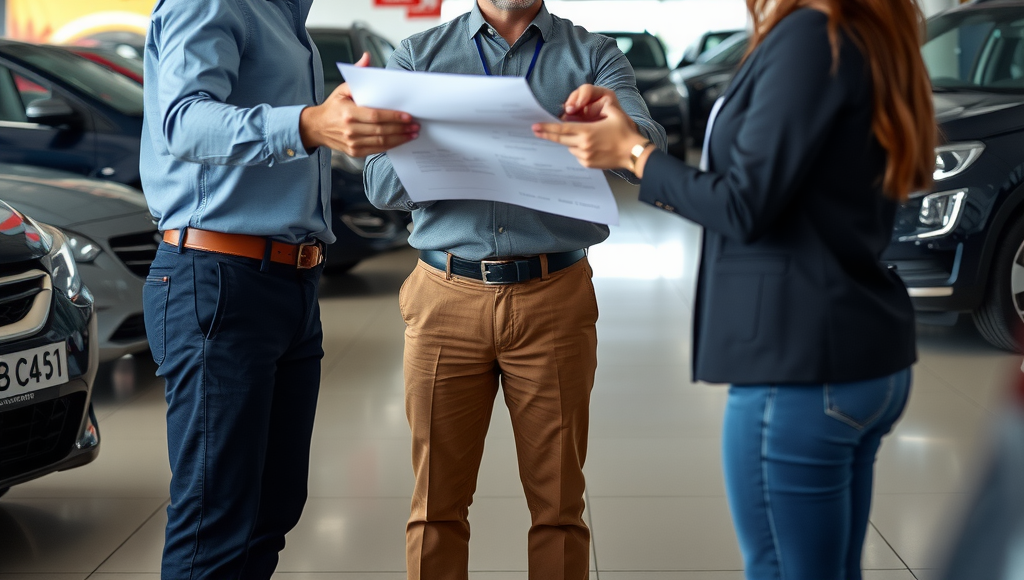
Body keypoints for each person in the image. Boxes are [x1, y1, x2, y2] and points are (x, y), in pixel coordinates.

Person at [533, 0, 936, 578]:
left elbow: (742, 204)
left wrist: (632, 154)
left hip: (800, 366)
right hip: (858, 352)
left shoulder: (810, 37)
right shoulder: (867, 31)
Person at [363, 1, 665, 578]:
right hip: (444, 295)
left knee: (558, 507)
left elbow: (646, 148)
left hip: (554, 294)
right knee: (435, 507)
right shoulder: (418, 57)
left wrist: (611, 135)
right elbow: (377, 183)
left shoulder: (592, 55)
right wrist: (448, 144)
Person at [140, 1, 417, 578]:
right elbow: (184, 122)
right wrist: (311, 124)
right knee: (215, 523)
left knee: (272, 510)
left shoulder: (287, 15)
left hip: (289, 284)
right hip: (217, 280)